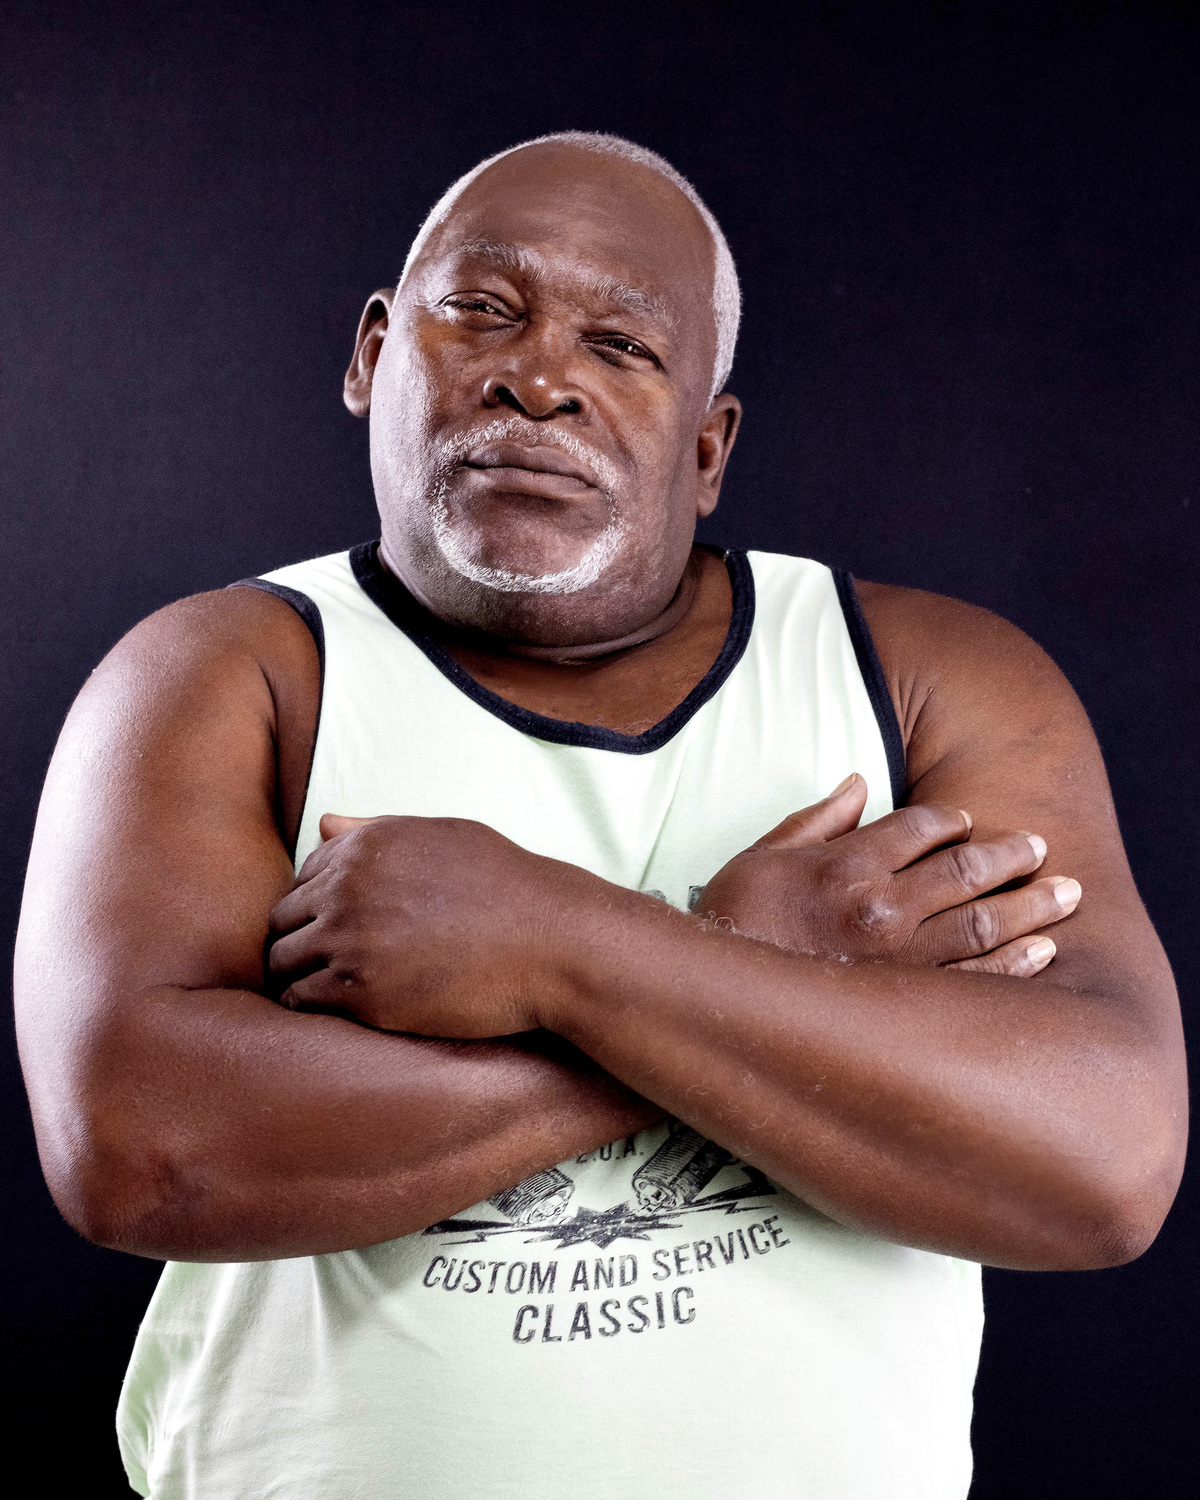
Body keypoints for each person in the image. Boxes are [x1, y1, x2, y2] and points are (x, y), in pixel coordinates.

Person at [15, 132, 1185, 1500]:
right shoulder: (230, 672)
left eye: (622, 345)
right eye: (483, 309)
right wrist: (755, 965)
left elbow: (1102, 1169)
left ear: (708, 445)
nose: (539, 379)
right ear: (373, 354)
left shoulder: (926, 677)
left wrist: (560, 945)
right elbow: (141, 1157)